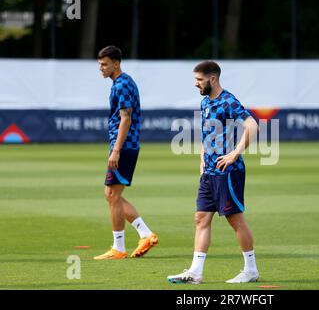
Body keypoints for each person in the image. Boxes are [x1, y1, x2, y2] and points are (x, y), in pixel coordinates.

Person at [167, 61, 260, 284]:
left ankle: (251, 270)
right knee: (201, 218)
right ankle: (195, 272)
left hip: (227, 171)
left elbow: (253, 126)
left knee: (235, 219)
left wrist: (235, 154)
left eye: (199, 80)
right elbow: (207, 135)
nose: (195, 84)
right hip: (209, 172)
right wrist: (201, 159)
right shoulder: (205, 102)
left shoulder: (228, 100)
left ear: (213, 79)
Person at [93, 45, 158, 260]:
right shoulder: (122, 82)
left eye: (104, 64)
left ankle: (118, 248)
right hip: (126, 145)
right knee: (112, 195)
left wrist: (116, 150)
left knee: (112, 195)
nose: (100, 68)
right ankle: (146, 234)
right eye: (99, 64)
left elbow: (126, 117)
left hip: (125, 146)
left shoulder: (122, 85)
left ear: (116, 63)